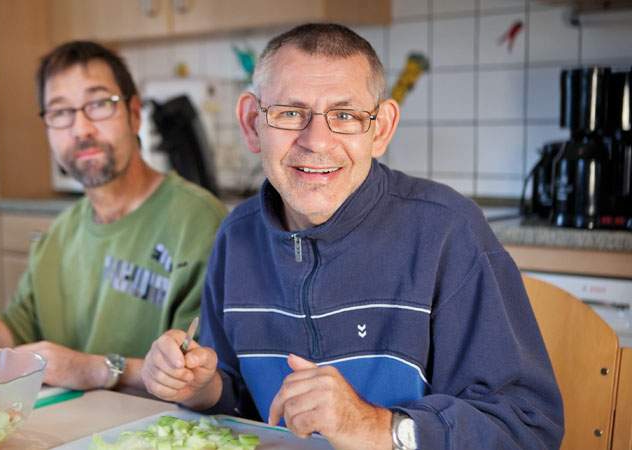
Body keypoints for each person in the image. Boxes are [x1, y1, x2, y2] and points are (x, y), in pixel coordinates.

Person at [141, 23, 564, 450]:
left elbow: (526, 428)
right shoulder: (237, 236)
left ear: (380, 129)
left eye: (345, 116)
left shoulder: (447, 231)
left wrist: (377, 427)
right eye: (290, 113)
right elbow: (239, 396)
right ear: (253, 124)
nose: (317, 142)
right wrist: (200, 385)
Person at [0, 40, 227, 392]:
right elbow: (16, 330)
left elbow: (198, 375)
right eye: (60, 112)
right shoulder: (60, 233)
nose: (81, 129)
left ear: (134, 114)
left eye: (99, 104)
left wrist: (94, 369)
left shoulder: (197, 222)